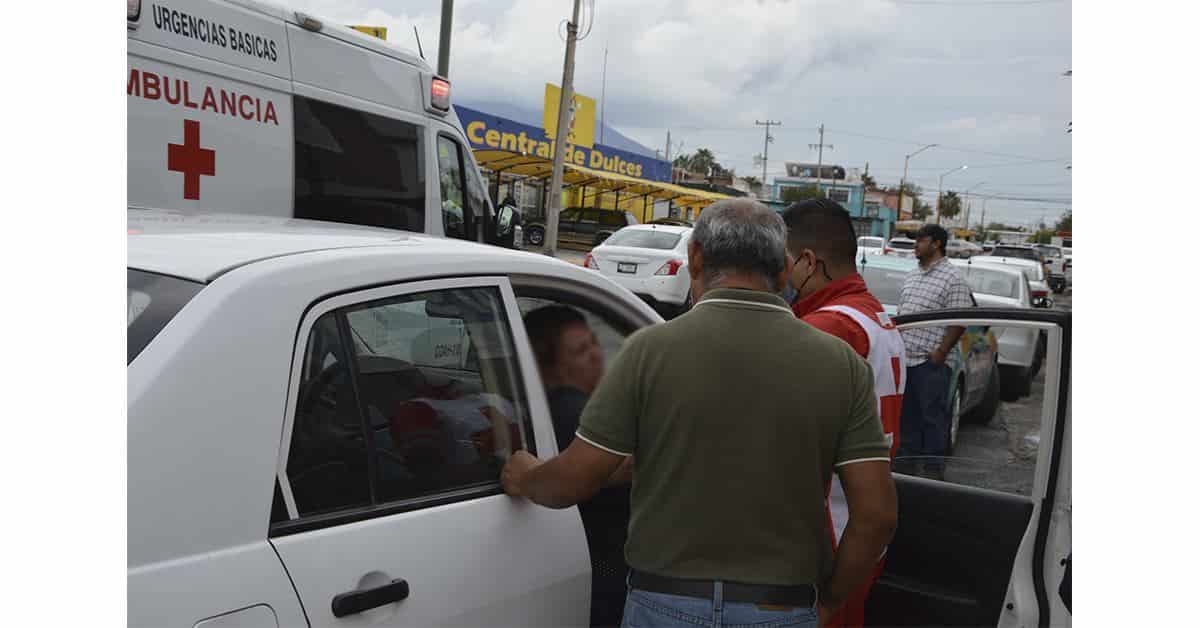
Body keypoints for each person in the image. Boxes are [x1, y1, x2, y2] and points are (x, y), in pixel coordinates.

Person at [501, 199, 897, 628]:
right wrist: (828, 602)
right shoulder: (841, 364)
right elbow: (876, 516)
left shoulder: (648, 353)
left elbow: (575, 480)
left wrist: (525, 475)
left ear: (695, 259)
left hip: (664, 605)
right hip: (783, 606)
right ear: (783, 270)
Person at [781, 198, 906, 628]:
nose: (777, 276)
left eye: (781, 264)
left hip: (827, 542)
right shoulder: (873, 316)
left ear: (808, 262)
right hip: (858, 537)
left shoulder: (828, 330)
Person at [523, 305, 630, 628]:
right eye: (581, 351)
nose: (597, 355)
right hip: (606, 573)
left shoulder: (536, 411)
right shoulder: (582, 416)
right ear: (547, 367)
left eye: (594, 343)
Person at [896, 223, 975, 479]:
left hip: (931, 364)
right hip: (906, 360)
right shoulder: (913, 275)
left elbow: (960, 320)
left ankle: (933, 475)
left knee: (933, 420)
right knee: (906, 419)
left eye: (920, 239)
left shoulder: (953, 278)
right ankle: (904, 471)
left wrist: (941, 352)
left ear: (936, 244)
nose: (915, 244)